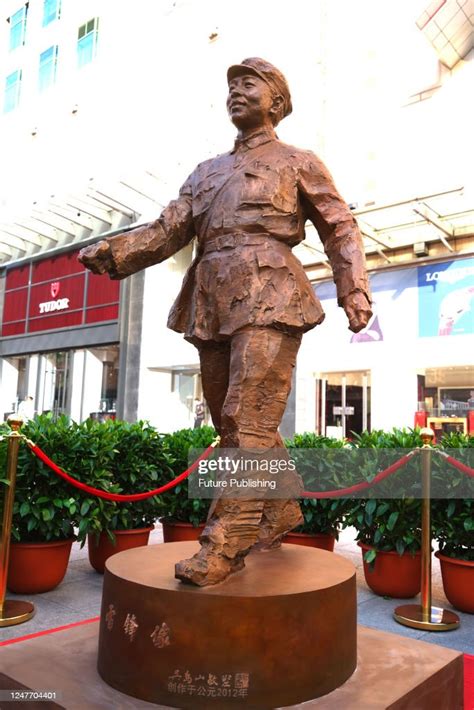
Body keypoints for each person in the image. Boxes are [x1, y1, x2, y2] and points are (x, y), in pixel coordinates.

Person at [79, 58, 372, 585]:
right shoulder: (206, 171)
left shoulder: (298, 161)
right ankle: (278, 509)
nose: (236, 91)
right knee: (229, 419)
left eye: (249, 84)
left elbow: (339, 225)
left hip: (271, 288)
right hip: (213, 292)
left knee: (246, 416)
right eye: (231, 85)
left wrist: (353, 288)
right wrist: (115, 252)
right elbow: (168, 229)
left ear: (277, 102)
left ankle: (224, 544)